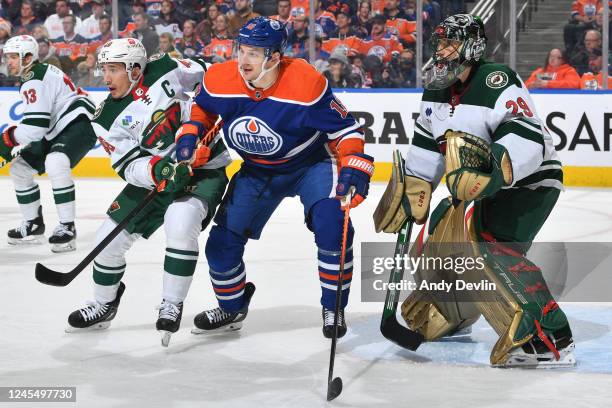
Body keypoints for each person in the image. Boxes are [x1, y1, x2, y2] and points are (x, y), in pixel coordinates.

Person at [383, 14, 575, 368]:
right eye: (439, 42)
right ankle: (452, 310)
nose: (441, 50)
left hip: (527, 183)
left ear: (472, 46)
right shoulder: (435, 90)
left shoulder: (498, 80)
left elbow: (526, 135)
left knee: (489, 246)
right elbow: (427, 151)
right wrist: (414, 188)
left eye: (449, 42)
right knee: (437, 235)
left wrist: (495, 170)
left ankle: (551, 337)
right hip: (476, 191)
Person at [176, 17, 371, 338]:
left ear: (275, 58)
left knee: (333, 226)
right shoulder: (220, 78)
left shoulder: (306, 84)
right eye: (242, 50)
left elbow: (346, 128)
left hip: (310, 164)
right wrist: (191, 134)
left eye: (254, 53)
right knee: (220, 245)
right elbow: (202, 109)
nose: (243, 59)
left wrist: (353, 162)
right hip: (256, 169)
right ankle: (231, 306)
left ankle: (333, 306)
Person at [65, 38, 231, 347]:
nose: (107, 77)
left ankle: (172, 302)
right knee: (106, 243)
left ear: (136, 69)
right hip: (157, 179)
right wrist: (159, 171)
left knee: (180, 225)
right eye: (105, 69)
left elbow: (212, 79)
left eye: (114, 69)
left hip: (204, 168)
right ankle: (104, 304)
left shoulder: (168, 68)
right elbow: (127, 164)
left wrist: (199, 124)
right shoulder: (104, 117)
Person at [0, 35, 96, 252]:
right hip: (59, 126)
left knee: (56, 162)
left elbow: (35, 128)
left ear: (28, 57)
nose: (10, 62)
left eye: (14, 57)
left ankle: (67, 227)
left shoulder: (34, 77)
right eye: (8, 57)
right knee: (20, 169)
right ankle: (33, 224)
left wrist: (7, 139)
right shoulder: (36, 74)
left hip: (79, 121)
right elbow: (38, 124)